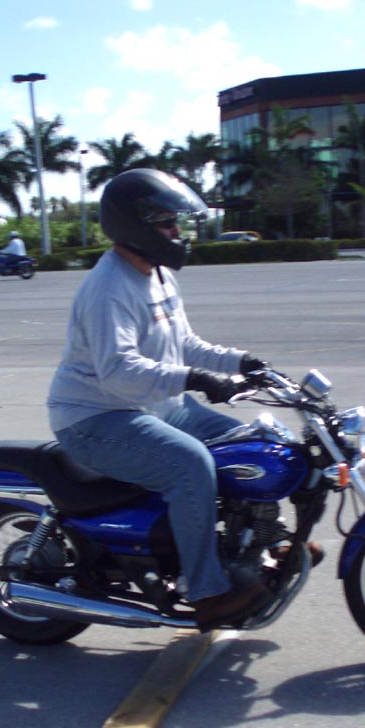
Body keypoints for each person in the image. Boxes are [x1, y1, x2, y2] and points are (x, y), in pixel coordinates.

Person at [46, 168, 270, 630]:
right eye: (167, 224)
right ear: (136, 226)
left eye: (176, 223)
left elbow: (185, 343)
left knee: (256, 444)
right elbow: (119, 373)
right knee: (191, 465)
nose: (176, 232)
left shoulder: (159, 275)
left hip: (159, 407)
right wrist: (195, 379)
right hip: (97, 417)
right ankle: (208, 594)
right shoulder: (108, 289)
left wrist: (242, 362)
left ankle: (263, 545)